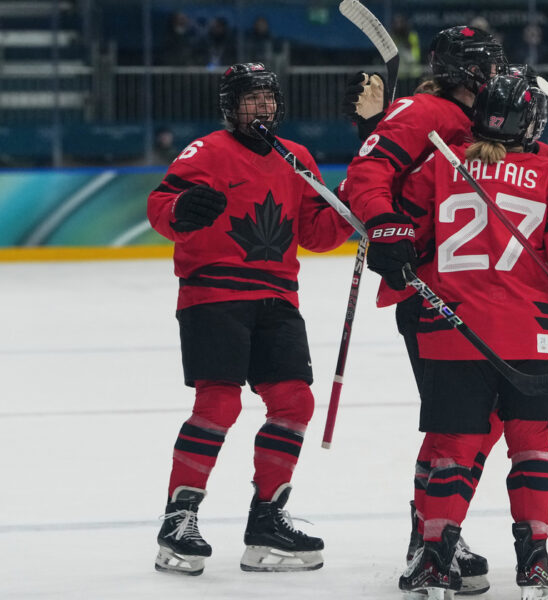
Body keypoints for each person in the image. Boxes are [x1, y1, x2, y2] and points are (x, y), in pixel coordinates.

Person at [342, 46, 548, 588]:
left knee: (458, 439)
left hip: (452, 318)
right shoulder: (543, 167)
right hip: (525, 323)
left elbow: (400, 220)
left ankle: (434, 547)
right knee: (521, 437)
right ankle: (520, 552)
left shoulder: (448, 158)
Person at [147, 62, 354, 576]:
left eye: (268, 97)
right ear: (230, 106)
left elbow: (316, 233)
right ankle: (179, 519)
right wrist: (181, 209)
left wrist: (353, 207)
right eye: (250, 98)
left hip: (278, 296)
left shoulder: (296, 157)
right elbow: (160, 205)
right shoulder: (206, 151)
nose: (262, 106)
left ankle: (266, 521)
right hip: (213, 292)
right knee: (218, 403)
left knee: (295, 401)